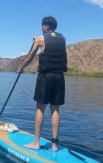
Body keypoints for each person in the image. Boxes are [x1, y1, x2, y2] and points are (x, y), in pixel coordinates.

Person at [18, 16, 67, 151]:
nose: (41, 28)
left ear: (46, 26)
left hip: (46, 77)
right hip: (59, 77)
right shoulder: (63, 38)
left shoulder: (40, 38)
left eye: (42, 25)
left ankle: (36, 143)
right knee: (55, 109)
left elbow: (29, 57)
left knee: (40, 108)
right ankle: (55, 145)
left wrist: (21, 68)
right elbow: (54, 46)